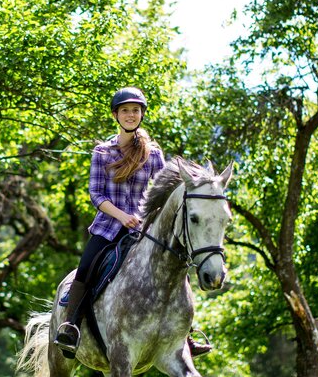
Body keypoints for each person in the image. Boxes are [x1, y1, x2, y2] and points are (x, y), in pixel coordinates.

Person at [54, 86, 213, 359]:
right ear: (116, 115)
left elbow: (162, 193)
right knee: (86, 268)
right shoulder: (103, 152)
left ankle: (185, 334)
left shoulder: (153, 154)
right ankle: (70, 324)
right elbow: (96, 194)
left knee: (172, 264)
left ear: (141, 115)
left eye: (135, 110)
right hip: (108, 227)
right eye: (125, 110)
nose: (131, 115)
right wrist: (122, 216)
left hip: (143, 231)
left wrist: (148, 219)